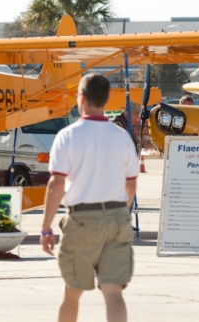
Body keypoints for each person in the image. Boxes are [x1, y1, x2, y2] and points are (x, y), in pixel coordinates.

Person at [40, 74, 138, 322]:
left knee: (72, 293)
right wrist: (120, 214)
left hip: (82, 219)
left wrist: (45, 227)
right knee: (113, 292)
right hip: (117, 217)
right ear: (105, 100)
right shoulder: (121, 137)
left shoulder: (68, 135)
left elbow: (57, 184)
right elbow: (131, 184)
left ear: (81, 98)